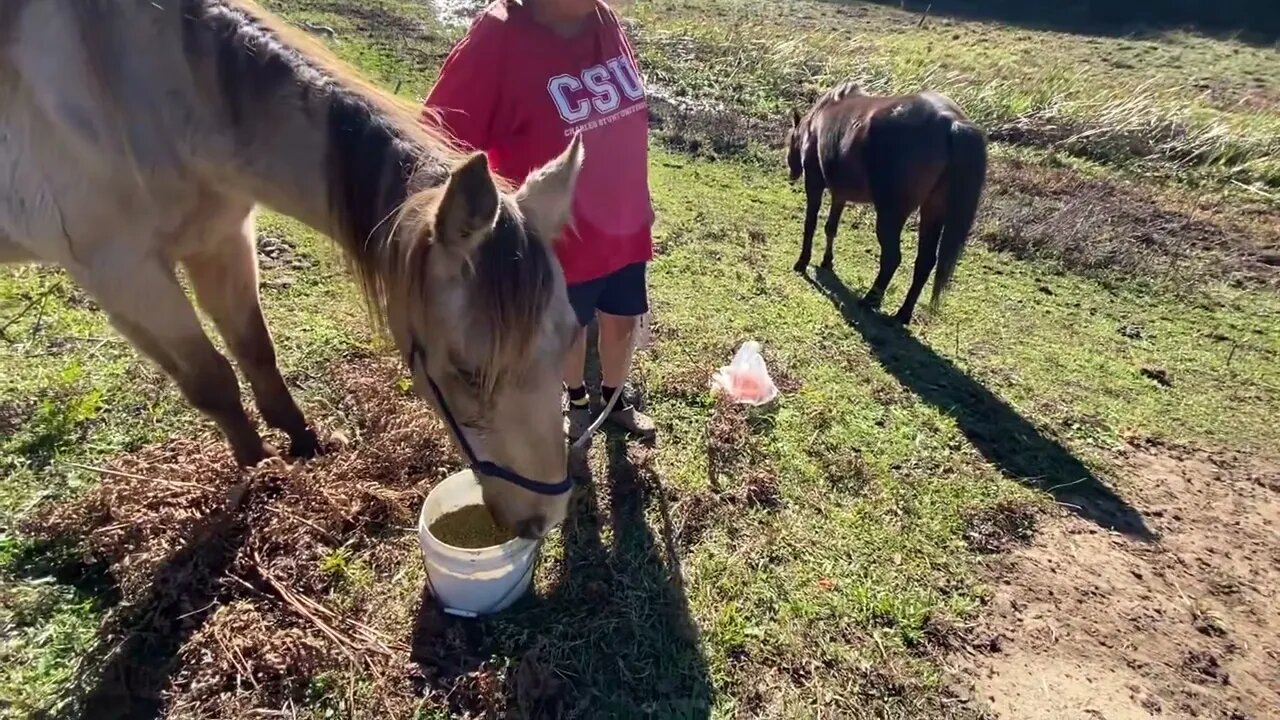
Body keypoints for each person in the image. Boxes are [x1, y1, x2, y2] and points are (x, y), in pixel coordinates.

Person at [422, 0, 655, 442]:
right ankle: (577, 401)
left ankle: (613, 398)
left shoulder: (602, 17)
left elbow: (625, 118)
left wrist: (640, 196)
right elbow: (436, 143)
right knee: (567, 333)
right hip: (558, 244)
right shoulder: (500, 32)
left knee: (622, 324)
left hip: (624, 228)